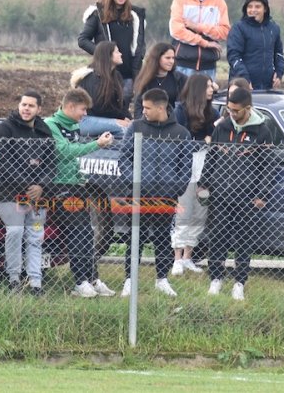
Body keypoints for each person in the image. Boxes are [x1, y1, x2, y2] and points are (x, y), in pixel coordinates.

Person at [199, 87, 275, 302]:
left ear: (248, 108)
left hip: (247, 198)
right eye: (229, 109)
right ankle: (216, 279)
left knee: (243, 241)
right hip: (220, 195)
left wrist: (262, 194)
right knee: (218, 238)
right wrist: (204, 183)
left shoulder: (262, 132)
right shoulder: (222, 127)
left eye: (236, 110)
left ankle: (239, 282)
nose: (232, 113)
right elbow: (211, 157)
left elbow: (267, 166)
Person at [117, 88, 192, 298]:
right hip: (138, 197)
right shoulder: (136, 127)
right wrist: (135, 183)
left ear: (161, 107)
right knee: (135, 240)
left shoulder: (181, 134)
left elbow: (186, 167)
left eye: (147, 108)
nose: (144, 111)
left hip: (165, 199)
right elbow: (124, 159)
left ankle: (162, 279)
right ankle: (130, 281)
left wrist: (174, 190)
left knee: (162, 239)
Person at [44, 88, 117, 298]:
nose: (85, 114)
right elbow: (64, 152)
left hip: (76, 185)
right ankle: (80, 281)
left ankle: (93, 279)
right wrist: (97, 144)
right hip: (59, 187)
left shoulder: (73, 126)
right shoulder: (52, 125)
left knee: (87, 233)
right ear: (70, 107)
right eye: (83, 110)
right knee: (78, 233)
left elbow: (74, 156)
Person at [0, 91, 56, 295]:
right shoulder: (5, 129)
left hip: (38, 198)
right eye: (23, 104)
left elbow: (52, 165)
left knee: (36, 235)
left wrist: (42, 186)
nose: (26, 109)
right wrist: (29, 185)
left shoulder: (44, 132)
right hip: (10, 195)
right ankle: (14, 279)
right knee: (15, 231)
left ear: (39, 109)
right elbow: (3, 163)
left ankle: (35, 282)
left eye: (31, 106)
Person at [170, 73, 217, 276]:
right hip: (187, 168)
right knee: (183, 212)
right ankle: (177, 258)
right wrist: (202, 141)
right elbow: (182, 140)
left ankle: (189, 256)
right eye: (207, 86)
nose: (211, 89)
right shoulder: (180, 110)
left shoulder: (212, 112)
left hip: (206, 169)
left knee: (200, 212)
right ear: (198, 88)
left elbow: (213, 139)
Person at [78, 0, 146, 102]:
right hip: (106, 74)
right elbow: (83, 40)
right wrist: (103, 54)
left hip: (128, 75)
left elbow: (140, 44)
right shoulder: (97, 14)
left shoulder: (135, 16)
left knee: (123, 109)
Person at [169, 0, 231, 80]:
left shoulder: (219, 1)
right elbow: (176, 30)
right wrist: (205, 43)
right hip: (183, 64)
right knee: (182, 99)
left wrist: (198, 27)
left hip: (208, 67)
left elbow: (224, 32)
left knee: (207, 99)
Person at [226, 0, 284, 90]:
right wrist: (244, 79)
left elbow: (279, 54)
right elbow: (233, 56)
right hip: (242, 86)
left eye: (257, 6)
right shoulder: (238, 28)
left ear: (265, 9)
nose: (253, 10)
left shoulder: (274, 29)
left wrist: (279, 73)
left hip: (267, 87)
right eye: (250, 6)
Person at [71, 41, 131, 138]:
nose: (121, 54)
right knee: (124, 129)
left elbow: (121, 104)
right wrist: (119, 119)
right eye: (117, 51)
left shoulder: (117, 76)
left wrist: (128, 118)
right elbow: (97, 106)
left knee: (132, 129)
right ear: (108, 55)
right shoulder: (91, 77)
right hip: (85, 119)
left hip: (105, 120)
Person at [131, 42, 186, 119]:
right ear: (157, 58)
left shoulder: (179, 78)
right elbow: (138, 106)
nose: (171, 61)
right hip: (148, 121)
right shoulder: (144, 79)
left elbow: (182, 106)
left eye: (173, 58)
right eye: (167, 58)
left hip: (172, 121)